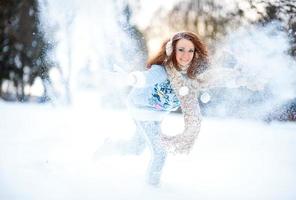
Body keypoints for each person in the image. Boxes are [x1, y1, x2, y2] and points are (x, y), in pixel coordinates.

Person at [99, 31, 261, 186]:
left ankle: (110, 147)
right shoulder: (163, 71)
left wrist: (241, 80)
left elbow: (214, 79)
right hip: (143, 111)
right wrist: (130, 78)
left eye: (190, 50)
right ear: (172, 50)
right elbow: (145, 78)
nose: (186, 55)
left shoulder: (191, 78)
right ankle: (151, 190)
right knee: (160, 154)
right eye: (181, 49)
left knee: (136, 147)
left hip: (157, 116)